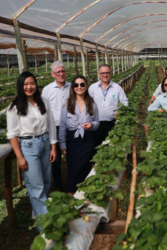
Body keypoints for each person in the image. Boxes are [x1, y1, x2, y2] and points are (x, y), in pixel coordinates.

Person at [7, 71, 57, 222]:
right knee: (36, 185)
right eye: (25, 84)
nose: (29, 87)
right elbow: (12, 134)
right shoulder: (14, 107)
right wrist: (19, 157)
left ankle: (38, 215)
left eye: (32, 83)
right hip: (28, 146)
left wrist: (53, 147)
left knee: (47, 181)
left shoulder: (44, 102)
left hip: (45, 143)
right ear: (20, 86)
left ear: (36, 85)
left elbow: (51, 124)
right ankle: (45, 225)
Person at [59, 75, 99, 195]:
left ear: (86, 86)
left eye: (82, 84)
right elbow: (62, 126)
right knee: (73, 168)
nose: (79, 87)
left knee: (86, 167)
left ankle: (85, 194)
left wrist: (91, 125)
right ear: (73, 87)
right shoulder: (67, 105)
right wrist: (62, 144)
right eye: (76, 85)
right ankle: (71, 194)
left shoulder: (92, 104)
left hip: (87, 140)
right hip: (72, 140)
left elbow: (97, 122)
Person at [42, 61, 71, 191]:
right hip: (55, 128)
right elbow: (43, 110)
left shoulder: (73, 86)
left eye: (63, 71)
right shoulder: (47, 90)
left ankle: (73, 181)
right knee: (55, 158)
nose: (61, 74)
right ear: (52, 74)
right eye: (58, 72)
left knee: (72, 155)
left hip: (71, 126)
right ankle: (58, 184)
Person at [88, 64, 128, 147]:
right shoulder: (93, 88)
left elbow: (125, 101)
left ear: (111, 73)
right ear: (99, 74)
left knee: (112, 146)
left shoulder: (117, 88)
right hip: (97, 124)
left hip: (112, 123)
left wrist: (120, 111)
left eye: (107, 72)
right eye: (103, 73)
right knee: (96, 146)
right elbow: (87, 104)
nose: (105, 75)